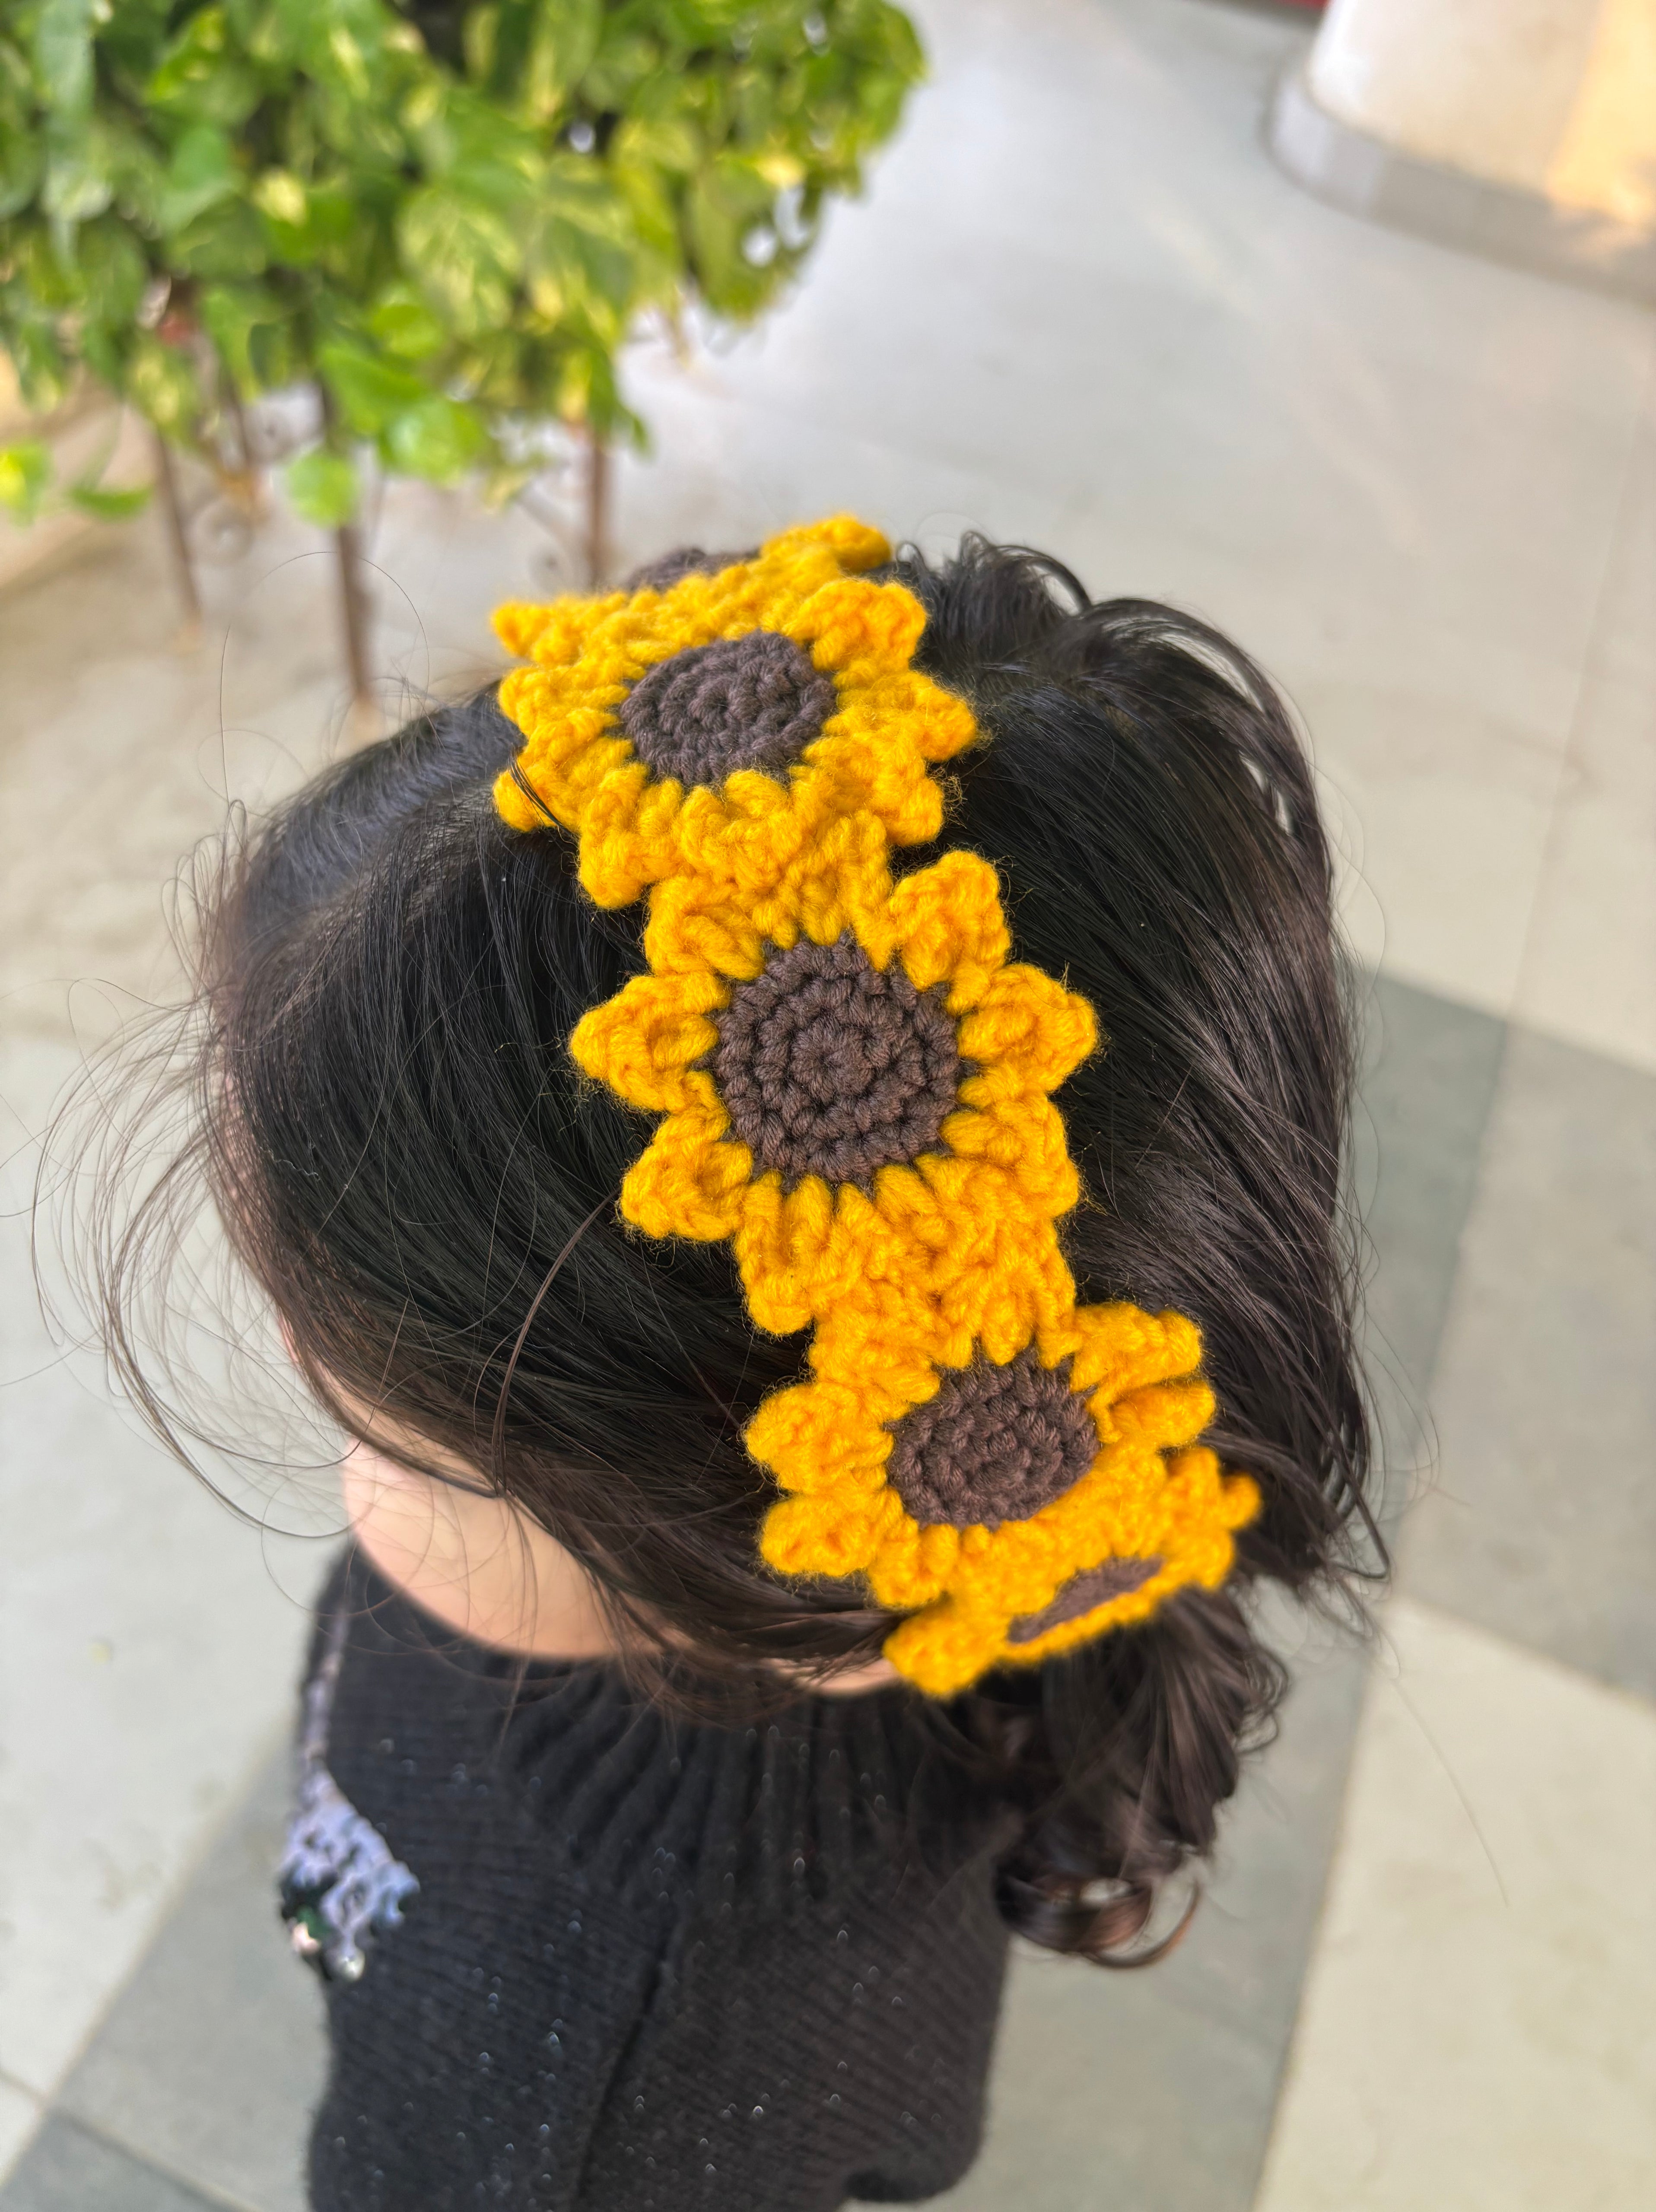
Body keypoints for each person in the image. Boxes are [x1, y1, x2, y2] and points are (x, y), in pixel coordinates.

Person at [83, 519, 1375, 2211]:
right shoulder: (650, 1559)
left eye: (383, 1434)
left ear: (822, 1568)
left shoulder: (634, 2090)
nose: (329, 1429)